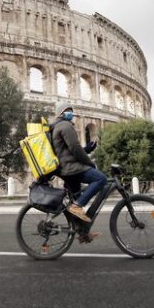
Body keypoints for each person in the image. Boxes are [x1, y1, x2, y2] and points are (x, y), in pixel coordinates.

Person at [51, 101, 107, 239]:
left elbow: (69, 149)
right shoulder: (65, 125)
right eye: (68, 110)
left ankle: (83, 233)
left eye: (71, 109)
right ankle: (76, 206)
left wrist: (87, 149)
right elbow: (75, 148)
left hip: (66, 167)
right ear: (62, 113)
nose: (72, 112)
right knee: (101, 178)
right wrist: (90, 163)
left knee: (76, 200)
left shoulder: (59, 126)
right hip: (71, 168)